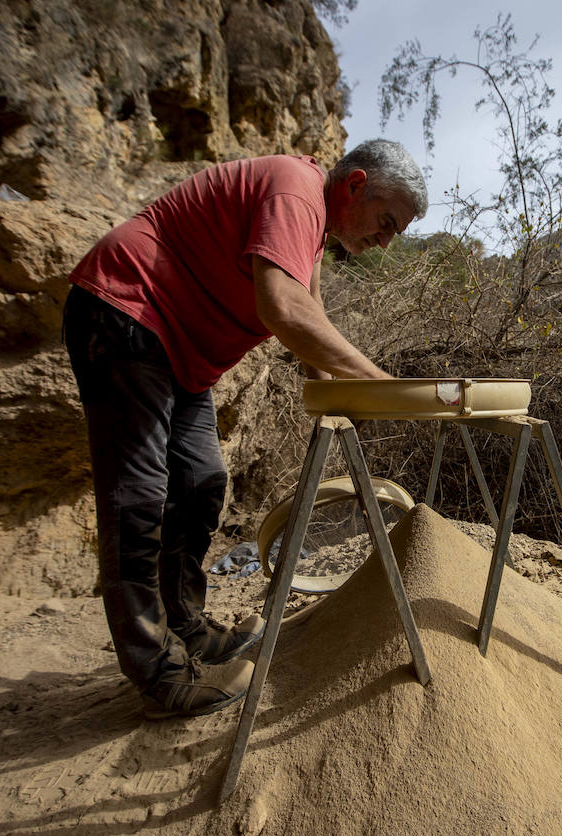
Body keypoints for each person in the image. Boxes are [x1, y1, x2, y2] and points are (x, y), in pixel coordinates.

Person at [63, 139, 428, 720]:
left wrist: (332, 397)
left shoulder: (312, 230)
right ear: (355, 185)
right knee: (139, 497)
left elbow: (309, 314)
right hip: (129, 309)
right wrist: (387, 387)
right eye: (387, 223)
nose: (385, 242)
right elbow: (282, 307)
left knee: (201, 481)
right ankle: (157, 672)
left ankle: (186, 626)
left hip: (179, 353)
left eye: (396, 233)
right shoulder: (295, 190)